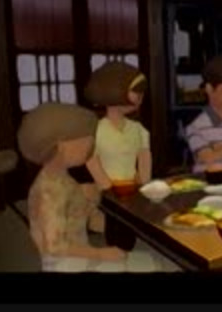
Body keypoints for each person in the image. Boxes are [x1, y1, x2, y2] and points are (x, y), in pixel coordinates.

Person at [17, 103, 166, 272]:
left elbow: (84, 221)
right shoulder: (48, 191)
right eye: (85, 139)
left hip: (80, 258)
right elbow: (53, 246)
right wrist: (100, 254)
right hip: (65, 266)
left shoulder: (62, 178)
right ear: (61, 145)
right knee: (152, 265)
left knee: (149, 260)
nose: (91, 144)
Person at [83, 61, 152, 233]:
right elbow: (91, 160)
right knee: (110, 226)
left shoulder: (138, 129)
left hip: (133, 192)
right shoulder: (96, 130)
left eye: (141, 94)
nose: (140, 98)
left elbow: (144, 157)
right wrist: (107, 188)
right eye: (136, 92)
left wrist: (144, 185)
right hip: (106, 193)